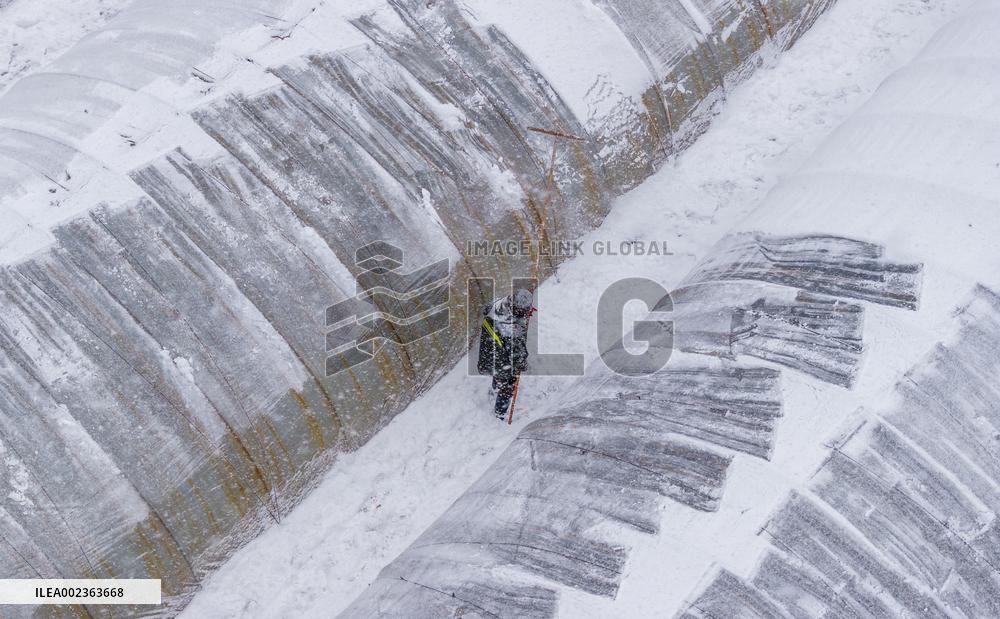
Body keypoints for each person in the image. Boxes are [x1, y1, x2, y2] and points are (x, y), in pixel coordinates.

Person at [477, 288, 533, 420]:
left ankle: (496, 387)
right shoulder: (512, 328)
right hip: (499, 362)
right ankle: (500, 414)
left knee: (498, 375)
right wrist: (523, 365)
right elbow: (517, 356)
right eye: (524, 311)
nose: (525, 313)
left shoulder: (497, 304)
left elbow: (486, 308)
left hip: (488, 354)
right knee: (508, 386)